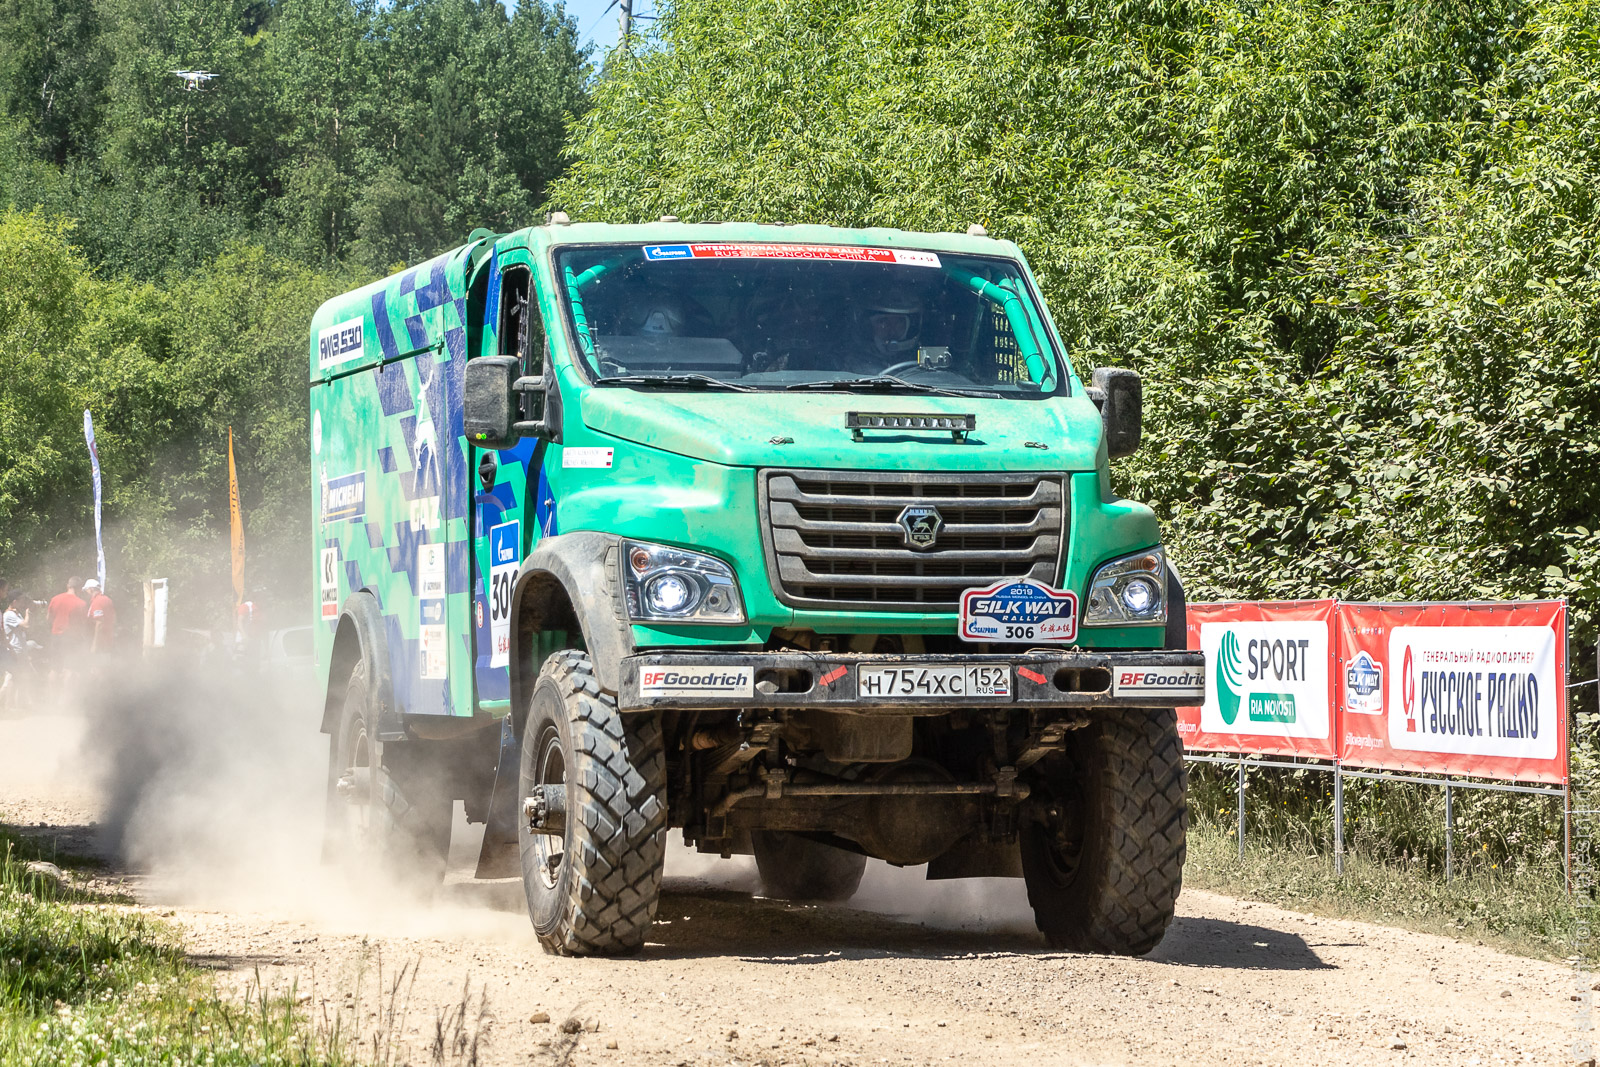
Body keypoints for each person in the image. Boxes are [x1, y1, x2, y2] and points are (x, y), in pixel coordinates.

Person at [47, 576, 88, 693]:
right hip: (72, 639)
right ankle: (65, 700)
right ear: (79, 588)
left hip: (56, 636)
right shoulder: (81, 603)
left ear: (68, 586)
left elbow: (49, 618)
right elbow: (84, 623)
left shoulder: (55, 599)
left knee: (54, 668)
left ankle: (52, 698)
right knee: (70, 669)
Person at [83, 579, 115, 655]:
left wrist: (95, 644)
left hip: (100, 641)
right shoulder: (107, 599)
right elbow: (114, 618)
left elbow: (99, 623)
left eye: (86, 590)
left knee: (97, 664)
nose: (85, 593)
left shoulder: (97, 601)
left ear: (91, 589)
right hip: (107, 638)